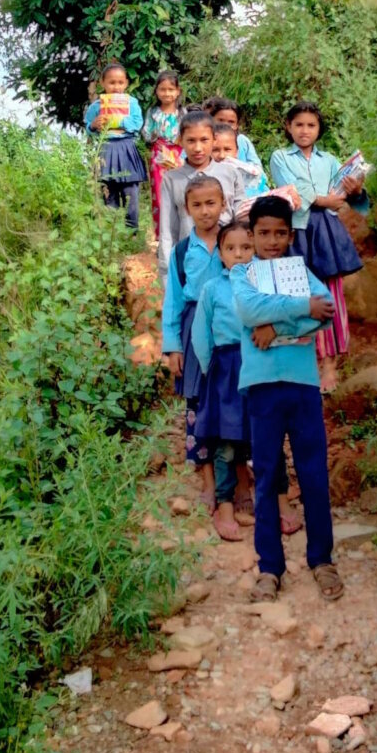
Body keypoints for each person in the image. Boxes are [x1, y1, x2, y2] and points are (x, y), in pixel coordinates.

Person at [231, 195, 344, 603]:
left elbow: (325, 311)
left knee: (314, 473)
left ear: (290, 235)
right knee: (267, 477)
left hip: (302, 385)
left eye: (281, 233)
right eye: (264, 233)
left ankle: (322, 559)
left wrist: (274, 330)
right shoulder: (242, 274)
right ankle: (270, 568)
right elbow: (248, 310)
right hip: (262, 388)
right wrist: (299, 310)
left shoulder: (302, 271)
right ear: (252, 234)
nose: (273, 240)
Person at [193, 219, 303, 539]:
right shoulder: (212, 288)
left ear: (254, 248)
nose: (239, 253)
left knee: (267, 437)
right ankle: (225, 507)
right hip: (226, 370)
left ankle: (280, 504)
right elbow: (202, 333)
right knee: (226, 443)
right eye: (231, 248)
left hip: (262, 365)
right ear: (221, 255)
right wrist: (207, 371)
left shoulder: (265, 283)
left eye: (245, 247)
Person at [269, 101, 367, 393]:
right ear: (288, 126)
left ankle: (329, 366)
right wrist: (325, 200)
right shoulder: (280, 156)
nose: (304, 130)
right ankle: (301, 362)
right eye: (298, 124)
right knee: (297, 292)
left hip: (326, 231)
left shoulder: (330, 160)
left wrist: (355, 189)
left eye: (311, 125)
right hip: (297, 231)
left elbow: (350, 196)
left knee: (330, 293)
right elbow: (294, 189)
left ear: (319, 129)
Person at [162, 175, 225, 511]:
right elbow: (172, 300)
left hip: (230, 332)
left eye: (211, 203)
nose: (204, 211)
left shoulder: (235, 240)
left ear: (223, 204)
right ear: (187, 209)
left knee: (233, 400)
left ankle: (237, 476)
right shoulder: (183, 251)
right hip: (191, 329)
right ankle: (209, 481)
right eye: (197, 205)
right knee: (199, 405)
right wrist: (173, 346)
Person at [157, 111, 246, 281]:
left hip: (227, 264)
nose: (197, 148)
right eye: (191, 140)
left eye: (204, 140)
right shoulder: (172, 179)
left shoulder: (231, 174)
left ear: (214, 140)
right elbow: (168, 230)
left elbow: (240, 219)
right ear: (180, 141)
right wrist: (167, 274)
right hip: (191, 265)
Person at [85, 63, 147, 229]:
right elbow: (88, 128)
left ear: (126, 83)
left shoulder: (132, 103)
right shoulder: (96, 106)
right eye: (111, 83)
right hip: (106, 149)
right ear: (103, 83)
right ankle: (113, 233)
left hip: (127, 148)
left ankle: (132, 232)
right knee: (108, 192)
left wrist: (118, 120)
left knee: (130, 193)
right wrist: (93, 125)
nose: (116, 87)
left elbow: (137, 123)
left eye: (120, 82)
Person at [143, 69, 184, 242]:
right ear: (157, 91)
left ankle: (182, 232)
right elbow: (146, 132)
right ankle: (162, 235)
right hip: (158, 155)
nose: (167, 93)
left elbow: (188, 132)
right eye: (163, 89)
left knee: (180, 191)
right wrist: (155, 138)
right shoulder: (153, 113)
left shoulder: (183, 113)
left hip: (179, 153)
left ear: (178, 91)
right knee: (160, 193)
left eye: (171, 89)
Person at [212, 122, 269, 198]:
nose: (222, 155)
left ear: (237, 152)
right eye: (215, 150)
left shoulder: (248, 173)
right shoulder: (203, 175)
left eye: (227, 149)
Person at [204, 96, 262, 166]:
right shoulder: (204, 140)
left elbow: (258, 169)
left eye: (231, 122)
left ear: (237, 125)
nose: (226, 125)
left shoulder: (242, 141)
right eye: (220, 120)